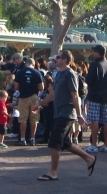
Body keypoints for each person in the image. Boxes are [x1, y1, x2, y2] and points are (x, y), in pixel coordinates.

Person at [35, 50, 97, 182]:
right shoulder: (59, 74)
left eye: (57, 57)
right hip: (59, 112)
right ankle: (89, 158)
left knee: (54, 141)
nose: (55, 60)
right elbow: (54, 93)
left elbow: (75, 95)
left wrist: (79, 115)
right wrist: (40, 104)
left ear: (64, 60)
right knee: (65, 142)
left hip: (67, 113)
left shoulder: (70, 74)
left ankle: (53, 172)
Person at [85, 45, 107, 154]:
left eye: (94, 52)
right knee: (106, 122)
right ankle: (106, 144)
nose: (93, 54)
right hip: (106, 97)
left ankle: (93, 145)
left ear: (97, 53)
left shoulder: (95, 65)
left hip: (94, 96)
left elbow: (89, 81)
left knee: (95, 121)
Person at [13, 53, 45, 146]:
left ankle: (23, 139)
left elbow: (16, 86)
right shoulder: (37, 72)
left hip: (23, 97)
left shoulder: (20, 72)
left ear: (26, 63)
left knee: (23, 118)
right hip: (34, 97)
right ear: (33, 64)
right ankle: (32, 138)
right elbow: (41, 87)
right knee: (34, 119)